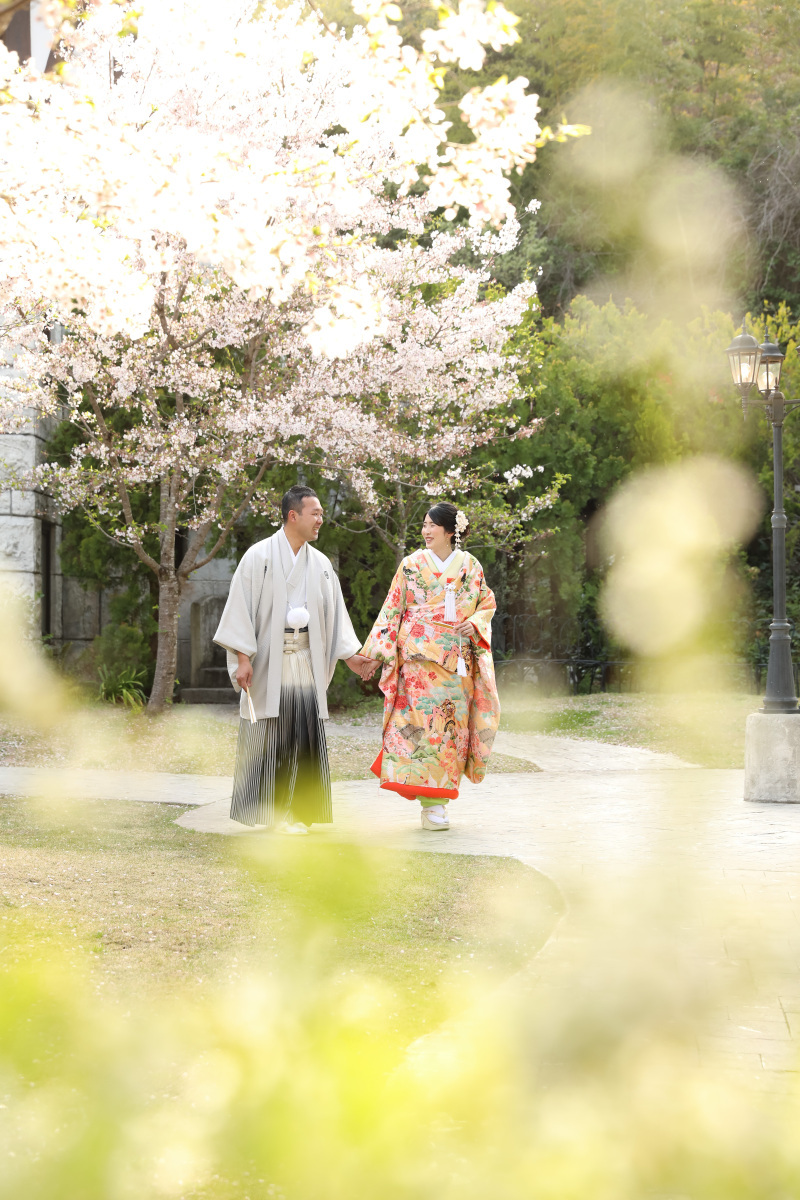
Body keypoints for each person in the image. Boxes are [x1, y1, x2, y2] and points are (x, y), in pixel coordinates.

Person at [213, 485, 367, 834]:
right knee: (270, 733)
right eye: (315, 513)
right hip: (269, 657)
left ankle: (298, 812)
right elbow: (240, 610)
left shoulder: (322, 564)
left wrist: (350, 656)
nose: (320, 520)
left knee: (302, 731)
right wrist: (243, 658)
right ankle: (271, 810)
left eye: (321, 515)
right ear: (292, 515)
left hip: (305, 659)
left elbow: (335, 616)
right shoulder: (258, 556)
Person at [358, 503, 500, 830]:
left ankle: (438, 802)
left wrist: (476, 623)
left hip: (454, 667)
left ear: (451, 531)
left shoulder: (471, 566)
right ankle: (428, 800)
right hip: (418, 667)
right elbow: (392, 610)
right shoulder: (410, 566)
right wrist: (373, 656)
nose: (425, 531)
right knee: (418, 730)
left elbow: (487, 603)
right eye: (423, 525)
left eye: (432, 525)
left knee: (448, 732)